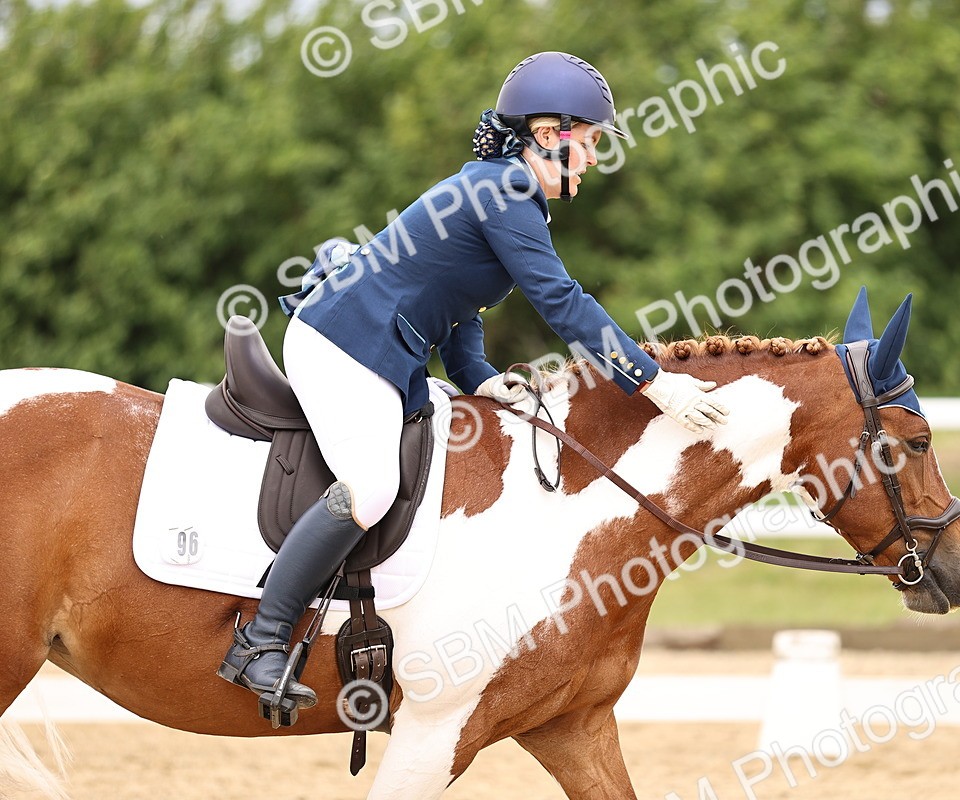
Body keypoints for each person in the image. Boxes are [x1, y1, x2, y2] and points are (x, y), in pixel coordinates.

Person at [217, 51, 730, 714]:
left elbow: (457, 300)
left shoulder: (501, 191)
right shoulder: (503, 193)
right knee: (370, 487)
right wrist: (653, 383)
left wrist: (477, 378)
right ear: (549, 134)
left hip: (375, 346)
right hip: (342, 342)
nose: (597, 157)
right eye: (593, 140)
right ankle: (261, 638)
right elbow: (563, 302)